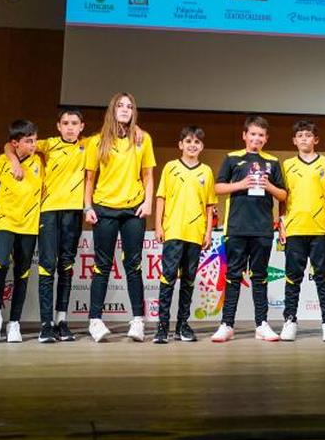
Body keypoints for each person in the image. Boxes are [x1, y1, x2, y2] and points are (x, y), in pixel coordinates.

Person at [5, 107, 87, 344]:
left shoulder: (88, 146)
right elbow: (10, 145)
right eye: (65, 123)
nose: (70, 127)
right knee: (46, 266)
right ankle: (46, 324)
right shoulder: (48, 144)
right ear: (58, 126)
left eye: (74, 123)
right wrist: (14, 162)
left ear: (81, 127)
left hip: (73, 212)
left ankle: (62, 320)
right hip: (49, 212)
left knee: (66, 266)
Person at [84, 93, 156, 343]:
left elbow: (147, 175)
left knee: (134, 266)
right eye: (120, 105)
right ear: (112, 110)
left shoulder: (142, 138)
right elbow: (89, 179)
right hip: (104, 208)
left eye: (129, 106)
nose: (125, 109)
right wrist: (87, 207)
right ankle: (95, 320)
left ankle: (138, 320)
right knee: (102, 266)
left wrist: (147, 202)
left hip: (134, 208)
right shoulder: (96, 141)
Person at [212, 115, 287, 343]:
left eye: (261, 135)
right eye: (252, 134)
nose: (257, 138)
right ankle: (227, 324)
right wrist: (241, 185)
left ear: (266, 138)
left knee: (260, 277)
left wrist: (269, 186)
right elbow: (218, 187)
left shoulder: (273, 162)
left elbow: (283, 195)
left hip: (263, 228)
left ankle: (261, 324)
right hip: (236, 227)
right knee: (233, 276)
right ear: (244, 135)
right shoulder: (232, 159)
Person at [153, 126, 216, 344]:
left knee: (189, 280)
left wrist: (207, 231)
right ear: (180, 144)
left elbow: (210, 205)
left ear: (202, 147)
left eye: (197, 142)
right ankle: (162, 326)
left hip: (195, 232)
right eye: (188, 141)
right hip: (173, 230)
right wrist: (158, 226)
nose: (192, 145)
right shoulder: (170, 167)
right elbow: (160, 197)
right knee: (168, 278)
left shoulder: (206, 171)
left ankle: (182, 324)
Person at [279, 120, 325, 342]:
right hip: (294, 228)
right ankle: (290, 320)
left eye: (308, 135)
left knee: (322, 276)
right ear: (294, 140)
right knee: (293, 276)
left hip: (320, 228)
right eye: (300, 136)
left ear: (316, 139)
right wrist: (281, 222)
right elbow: (282, 198)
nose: (304, 139)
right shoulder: (287, 165)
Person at [0, 119, 43, 343]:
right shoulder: (2, 161)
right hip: (5, 223)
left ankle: (15, 323)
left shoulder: (41, 161)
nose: (33, 145)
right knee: (0, 265)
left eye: (35, 140)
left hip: (29, 225)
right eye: (28, 141)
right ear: (15, 143)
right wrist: (12, 159)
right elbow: (4, 152)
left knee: (22, 272)